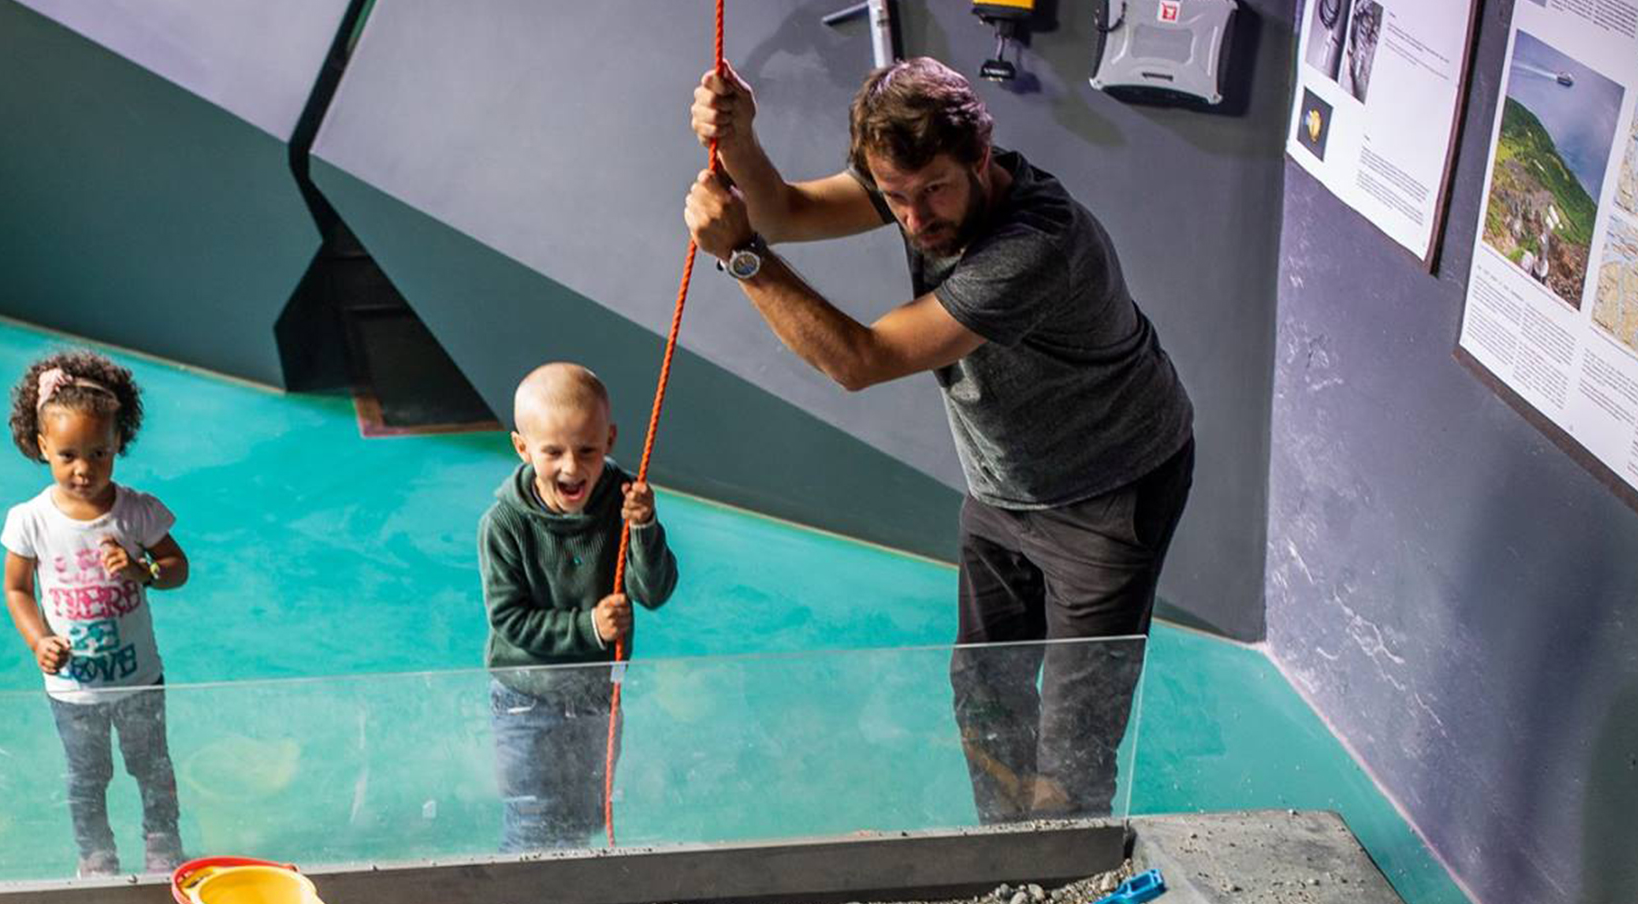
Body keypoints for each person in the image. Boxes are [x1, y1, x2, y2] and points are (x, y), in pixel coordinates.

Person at [686, 57, 1195, 821]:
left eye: (933, 191)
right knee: (985, 690)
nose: (915, 219)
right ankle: (1005, 845)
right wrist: (742, 142)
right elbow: (785, 211)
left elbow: (863, 360)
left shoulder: (1034, 246)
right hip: (1005, 483)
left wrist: (743, 259)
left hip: (1108, 491)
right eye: (894, 196)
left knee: (1075, 741)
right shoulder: (909, 174)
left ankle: (1064, 863)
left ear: (981, 157)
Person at [0, 349, 188, 876]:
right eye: (68, 455)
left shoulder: (137, 511)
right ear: (42, 446)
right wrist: (39, 640)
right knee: (86, 776)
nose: (83, 469)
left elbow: (177, 568)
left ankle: (163, 843)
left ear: (118, 442)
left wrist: (143, 571)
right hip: (74, 690)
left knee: (153, 768)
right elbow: (17, 589)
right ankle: (96, 855)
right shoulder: (30, 520)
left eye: (99, 453)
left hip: (139, 679)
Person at [477, 362, 678, 850]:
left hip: (596, 693)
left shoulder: (624, 503)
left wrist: (645, 527)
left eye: (587, 450)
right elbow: (508, 619)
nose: (571, 467)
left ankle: (570, 891)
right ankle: (525, 890)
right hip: (527, 696)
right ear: (523, 448)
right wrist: (590, 627)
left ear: (609, 439)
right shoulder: (503, 524)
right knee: (531, 818)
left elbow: (653, 592)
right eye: (553, 452)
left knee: (586, 814)